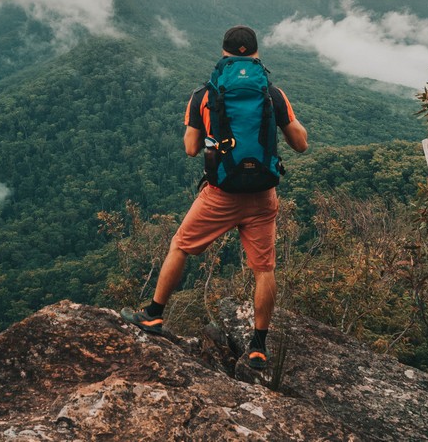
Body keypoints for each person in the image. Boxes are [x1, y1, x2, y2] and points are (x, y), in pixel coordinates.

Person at [120, 25, 308, 369]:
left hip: (220, 195)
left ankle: (154, 315)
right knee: (264, 269)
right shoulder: (273, 94)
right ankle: (258, 347)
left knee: (180, 245)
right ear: (255, 53)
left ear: (223, 53)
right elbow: (301, 143)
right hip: (263, 195)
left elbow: (191, 149)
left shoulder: (204, 95)